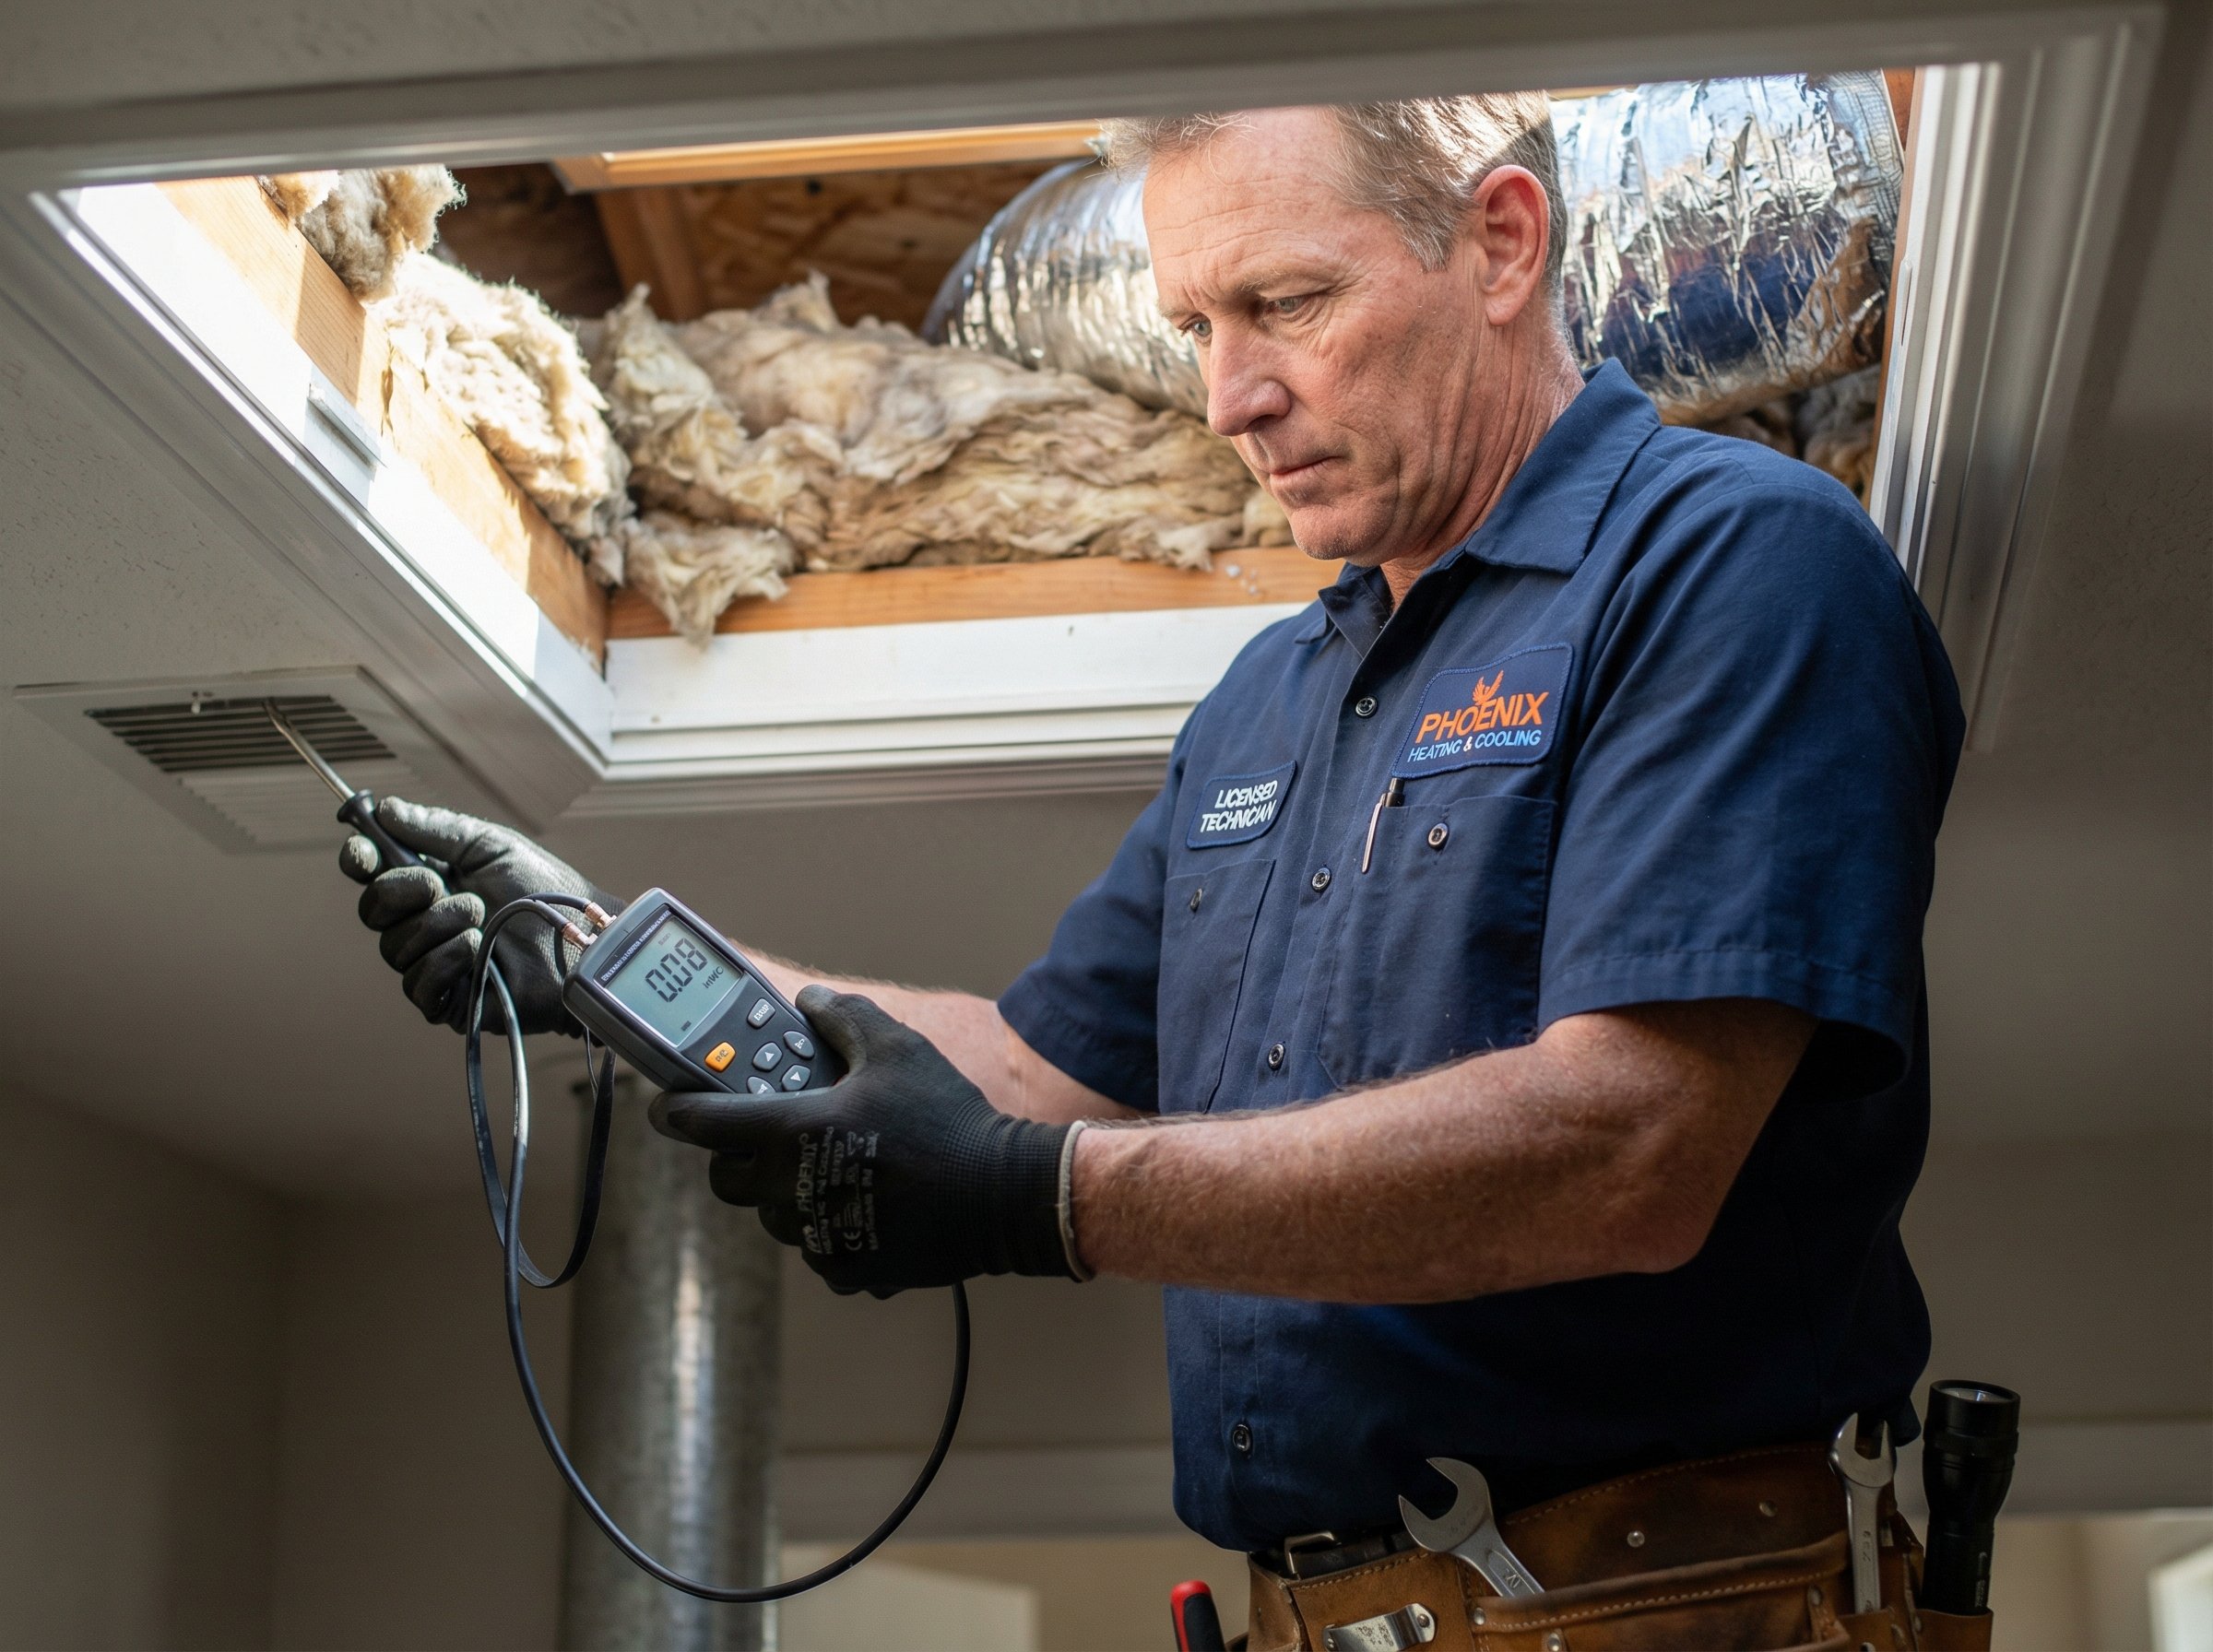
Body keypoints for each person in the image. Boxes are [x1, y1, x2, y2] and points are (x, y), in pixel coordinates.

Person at [344, 94, 1965, 1650]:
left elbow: (1632, 1148)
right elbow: (1033, 1078)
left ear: (1502, 242)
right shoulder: (1272, 701)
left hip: (1680, 1611)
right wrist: (590, 956)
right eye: (1198, 326)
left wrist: (1035, 1201)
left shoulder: (1733, 558)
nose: (1226, 396)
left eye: (1286, 302)